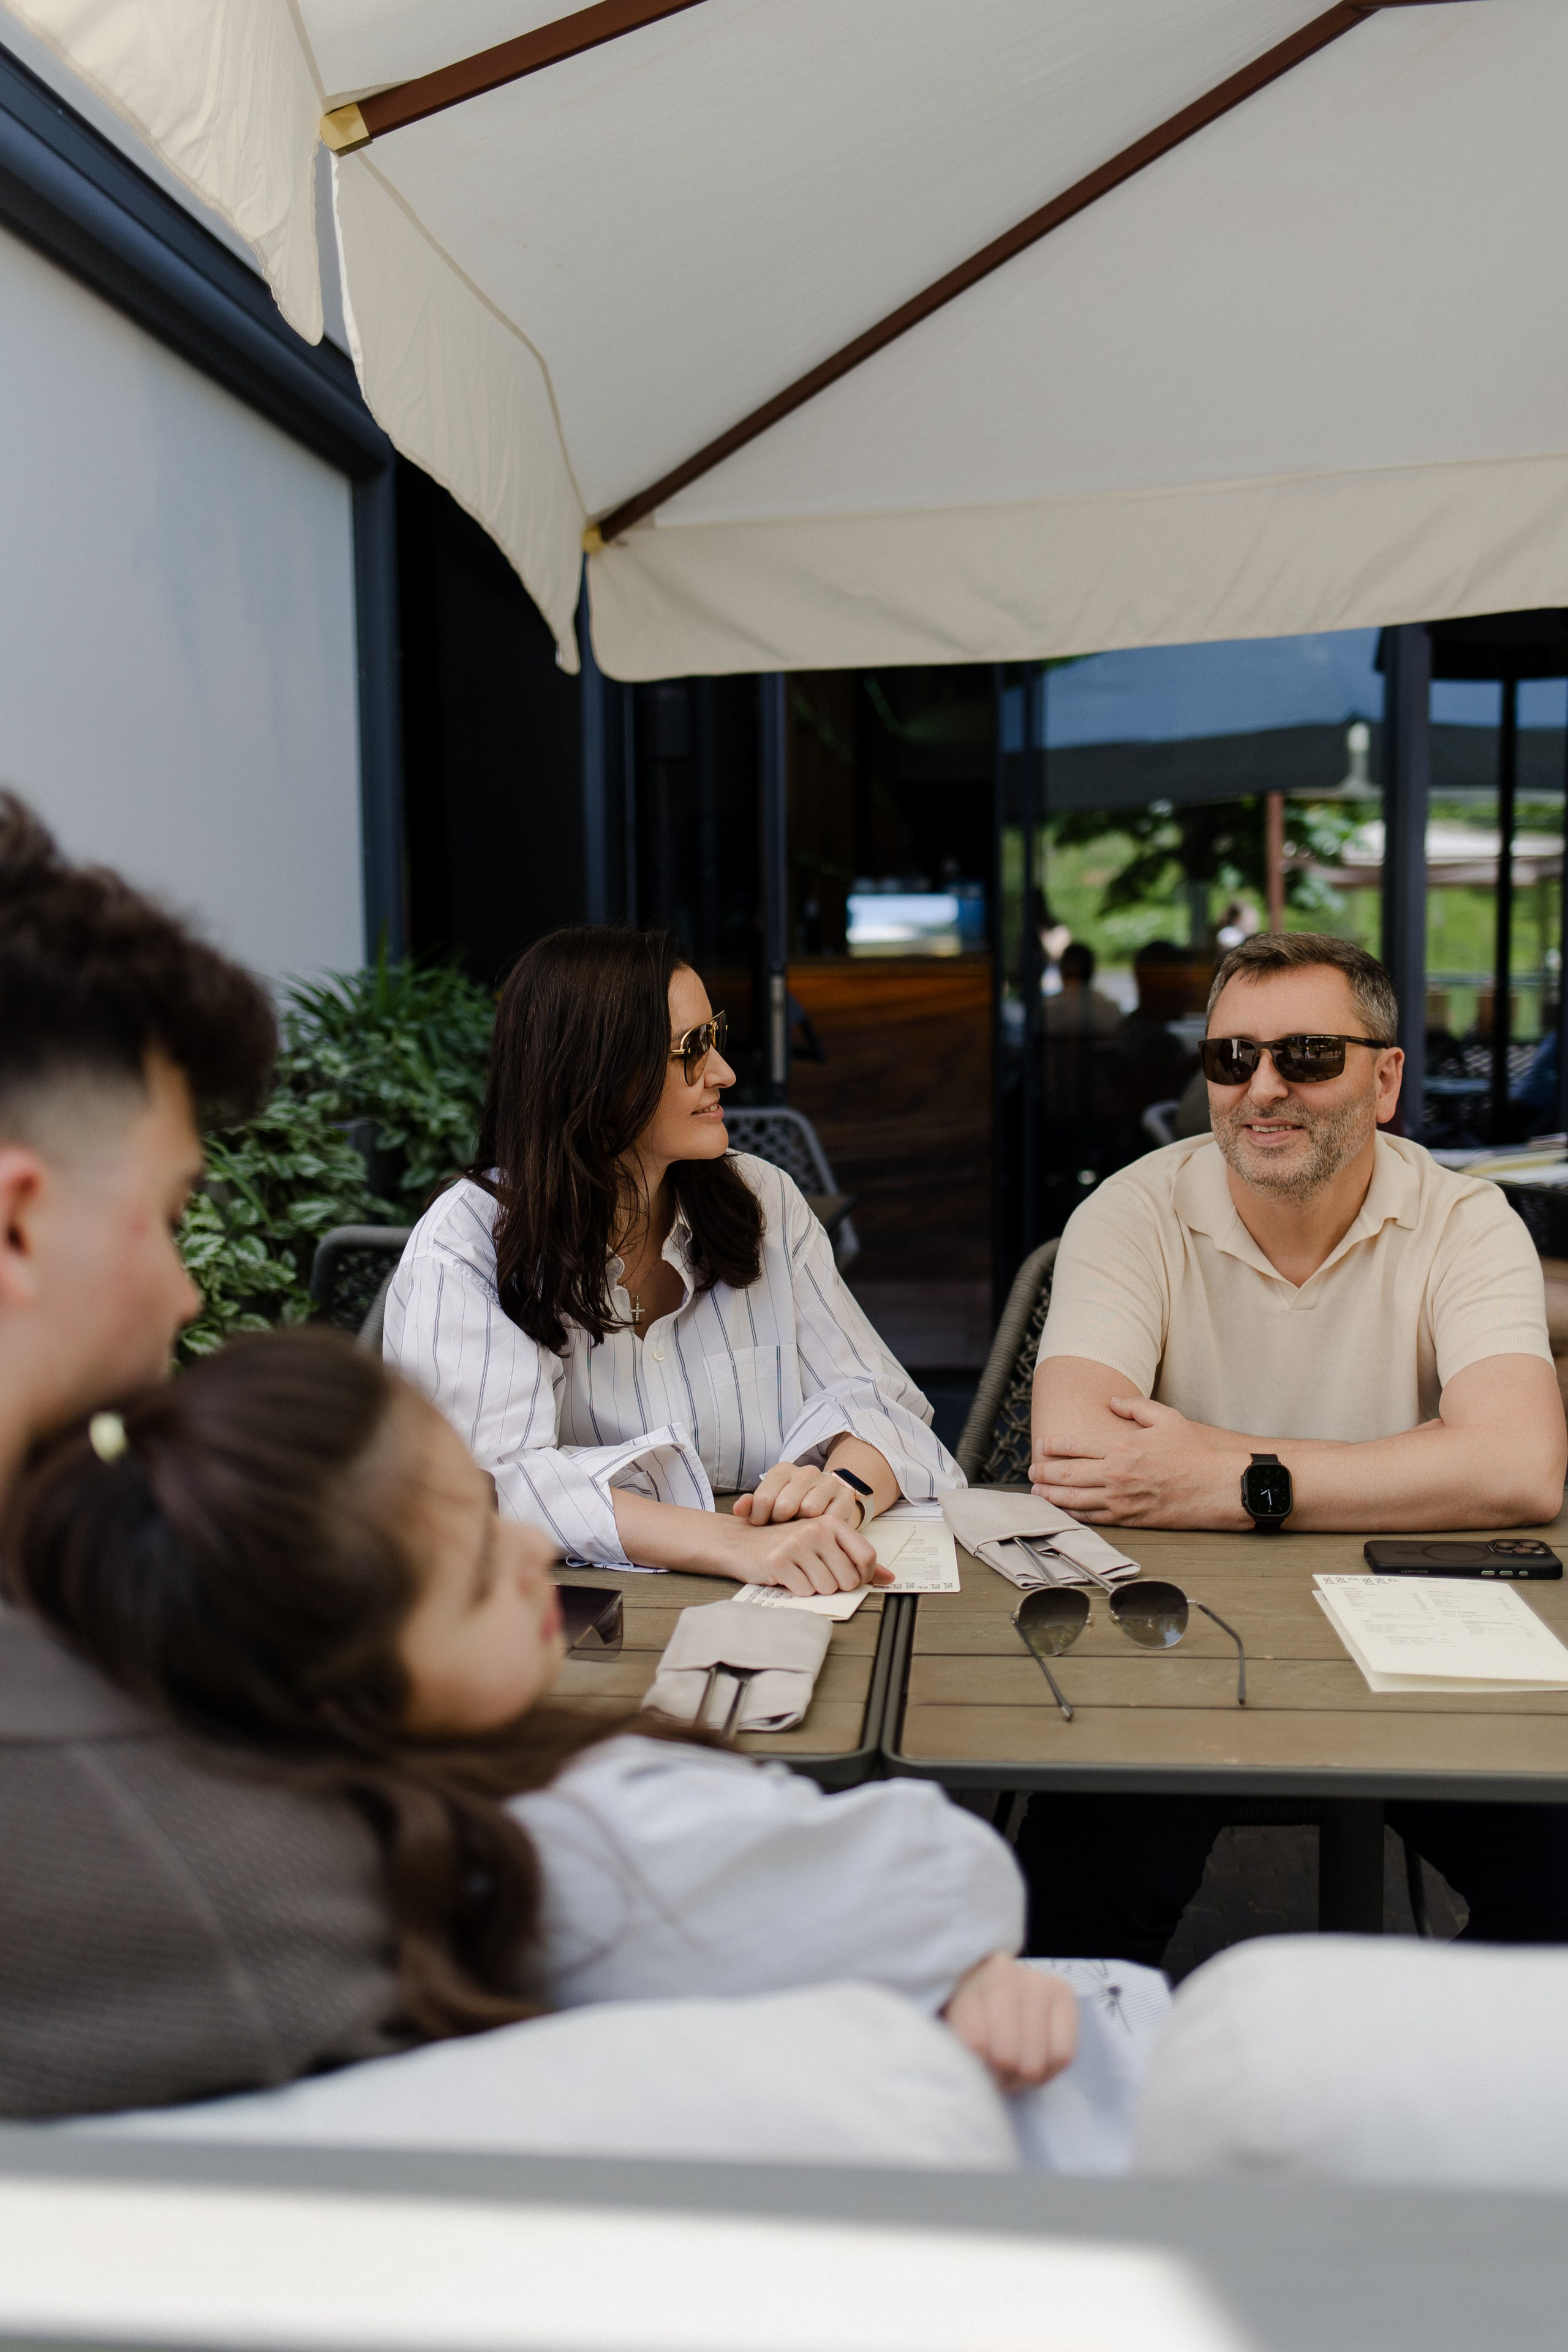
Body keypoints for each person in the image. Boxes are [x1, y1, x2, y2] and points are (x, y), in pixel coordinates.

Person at [5, 1329, 1170, 2155]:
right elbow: (944, 1877)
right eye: (473, 1571)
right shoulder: (594, 1831)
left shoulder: (343, 1817)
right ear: (340, 1681)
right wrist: (949, 1957)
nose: (530, 1558)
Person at [1019, 930, 1568, 1960]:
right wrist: (1412, 1464)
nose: (1262, 1088)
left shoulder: (1465, 1220)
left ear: (1387, 1077)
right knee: (1069, 1923)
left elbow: (1520, 1466)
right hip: (1178, 1641)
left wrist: (1222, 1474)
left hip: (1424, 1637)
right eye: (1231, 1058)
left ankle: (1399, 2082)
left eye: (1307, 1056)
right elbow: (1079, 1453)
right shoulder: (1132, 1212)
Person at [385, 928, 962, 1596]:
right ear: (593, 1073)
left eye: (713, 1037)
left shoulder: (762, 1199)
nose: (724, 1073)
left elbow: (878, 1399)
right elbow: (483, 1481)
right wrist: (736, 1544)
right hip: (565, 1630)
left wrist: (841, 1490)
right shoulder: (469, 1244)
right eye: (691, 1050)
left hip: (784, 1603)